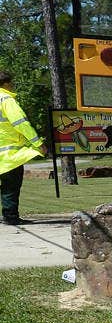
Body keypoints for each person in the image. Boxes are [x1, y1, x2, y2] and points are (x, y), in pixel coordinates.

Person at [0, 69, 45, 225]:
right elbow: (21, 124)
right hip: (9, 156)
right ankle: (10, 217)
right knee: (10, 186)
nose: (13, 85)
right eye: (11, 82)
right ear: (5, 84)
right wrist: (38, 144)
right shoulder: (6, 100)